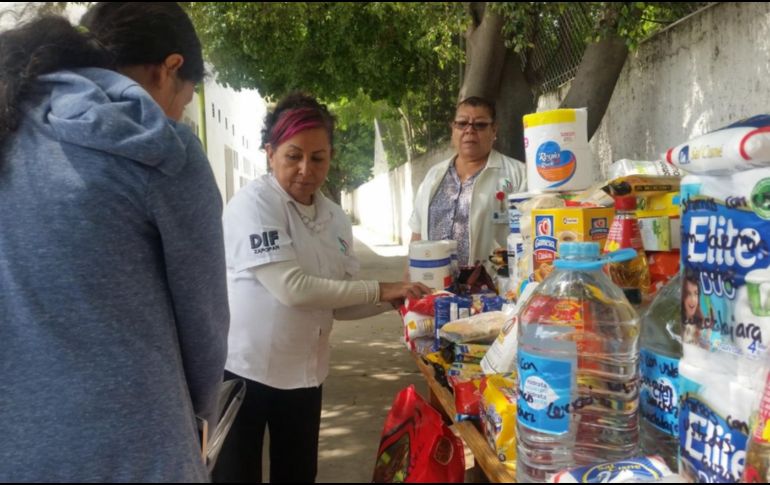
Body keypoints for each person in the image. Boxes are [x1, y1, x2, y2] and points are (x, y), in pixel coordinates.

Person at [0, 3, 228, 482]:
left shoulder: (10, 125)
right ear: (169, 69)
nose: (179, 114)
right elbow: (204, 332)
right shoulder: (156, 147)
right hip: (137, 455)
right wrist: (200, 421)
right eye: (186, 101)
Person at [214, 93, 430, 483]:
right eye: (293, 156)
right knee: (235, 476)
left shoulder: (334, 218)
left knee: (298, 475)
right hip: (244, 371)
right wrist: (380, 289)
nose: (305, 170)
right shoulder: (253, 205)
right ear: (270, 153)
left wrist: (395, 299)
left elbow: (337, 300)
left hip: (304, 376)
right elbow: (293, 289)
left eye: (318, 158)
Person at [409, 96, 527, 270]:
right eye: (462, 123)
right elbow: (417, 234)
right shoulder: (433, 176)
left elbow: (530, 236)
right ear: (453, 129)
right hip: (433, 284)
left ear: (494, 130)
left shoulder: (518, 174)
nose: (469, 130)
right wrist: (410, 276)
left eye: (480, 125)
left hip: (492, 284)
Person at [683, 269, 705, 344]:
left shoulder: (701, 322)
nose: (693, 300)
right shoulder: (677, 322)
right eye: (688, 294)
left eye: (696, 293)